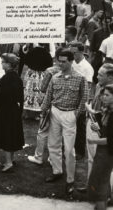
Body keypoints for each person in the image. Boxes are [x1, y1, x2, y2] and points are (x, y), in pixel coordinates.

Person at [41, 49, 88, 197]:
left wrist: (76, 114)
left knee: (69, 150)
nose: (60, 64)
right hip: (55, 112)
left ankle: (70, 180)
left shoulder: (80, 78)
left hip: (70, 114)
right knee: (53, 144)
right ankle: (57, 171)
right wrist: (44, 110)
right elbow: (48, 95)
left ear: (71, 61)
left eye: (63, 61)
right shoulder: (55, 77)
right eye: (58, 61)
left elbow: (85, 97)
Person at [0, 53, 24, 172]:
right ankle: (11, 159)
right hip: (13, 110)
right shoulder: (15, 77)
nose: (1, 64)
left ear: (8, 64)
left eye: (3, 62)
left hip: (6, 111)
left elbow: (2, 95)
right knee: (12, 134)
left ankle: (8, 162)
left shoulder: (8, 78)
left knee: (7, 135)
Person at [27, 48, 63, 165]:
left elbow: (42, 88)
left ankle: (38, 156)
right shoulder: (71, 71)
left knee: (42, 131)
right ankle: (53, 158)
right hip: (62, 105)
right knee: (57, 133)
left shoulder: (51, 71)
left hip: (49, 104)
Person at [87, 84, 113, 210]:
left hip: (107, 153)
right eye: (103, 94)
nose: (103, 97)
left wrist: (93, 141)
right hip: (105, 152)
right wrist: (98, 129)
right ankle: (106, 201)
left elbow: (110, 140)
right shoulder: (109, 111)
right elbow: (107, 132)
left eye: (107, 95)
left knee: (99, 182)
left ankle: (101, 205)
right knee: (103, 179)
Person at [70, 42, 94, 160]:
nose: (72, 55)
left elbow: (88, 87)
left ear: (80, 52)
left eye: (74, 53)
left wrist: (82, 103)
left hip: (80, 100)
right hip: (70, 98)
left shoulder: (87, 67)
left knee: (80, 126)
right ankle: (70, 147)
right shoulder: (72, 63)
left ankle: (80, 151)